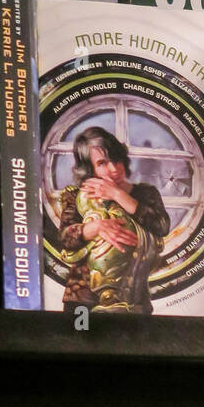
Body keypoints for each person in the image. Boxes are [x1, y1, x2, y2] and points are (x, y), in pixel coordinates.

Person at [58, 126, 170, 314]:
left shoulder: (146, 193)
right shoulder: (76, 196)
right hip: (82, 300)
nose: (113, 169)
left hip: (133, 299)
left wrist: (118, 195)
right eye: (102, 163)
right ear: (88, 169)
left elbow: (162, 226)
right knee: (80, 342)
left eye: (116, 160)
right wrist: (97, 227)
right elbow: (65, 237)